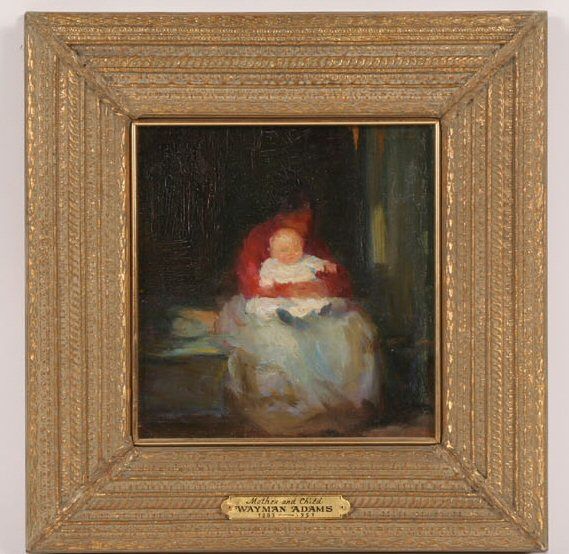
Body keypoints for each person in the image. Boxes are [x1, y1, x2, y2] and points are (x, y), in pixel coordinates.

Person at [235, 204, 352, 300]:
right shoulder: (259, 238)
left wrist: (323, 287)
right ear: (280, 217)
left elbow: (340, 279)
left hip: (307, 302)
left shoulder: (310, 242)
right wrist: (285, 290)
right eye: (298, 219)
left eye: (308, 219)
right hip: (276, 302)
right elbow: (251, 285)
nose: (305, 226)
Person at [245, 227, 340, 321]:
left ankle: (319, 310)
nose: (291, 253)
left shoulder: (306, 260)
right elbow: (266, 284)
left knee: (313, 301)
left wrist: (327, 265)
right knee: (264, 304)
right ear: (272, 252)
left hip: (303, 294)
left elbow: (319, 263)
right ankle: (284, 313)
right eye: (284, 250)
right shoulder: (270, 265)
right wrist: (271, 288)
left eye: (296, 249)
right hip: (282, 296)